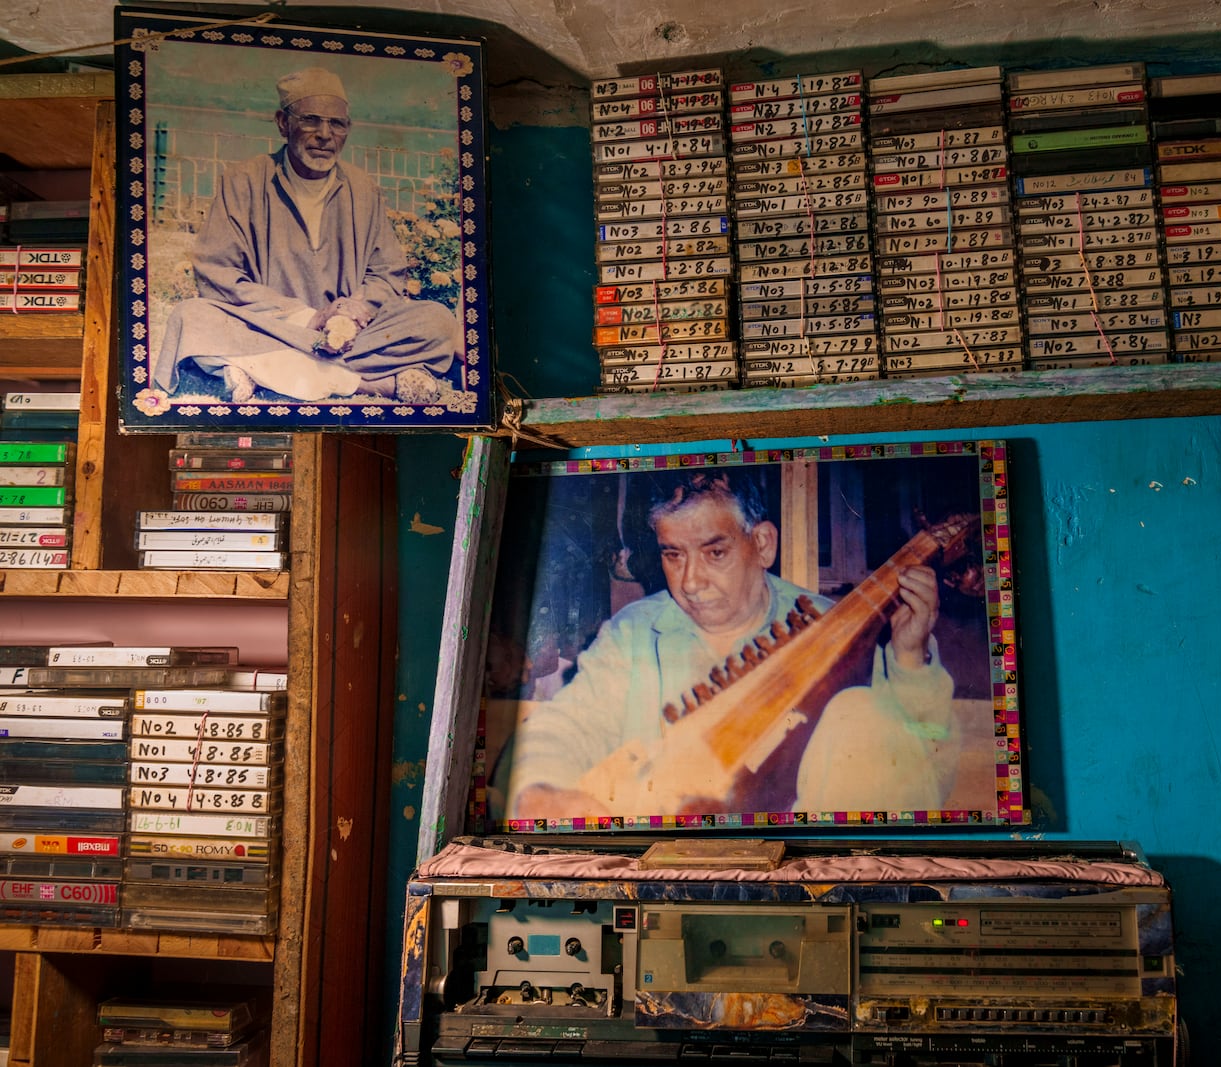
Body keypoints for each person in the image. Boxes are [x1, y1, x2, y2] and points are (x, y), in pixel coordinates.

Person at [505, 472, 959, 820]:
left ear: (762, 544)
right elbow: (563, 727)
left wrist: (909, 661)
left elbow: (926, 781)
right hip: (669, 867)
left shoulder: (834, 630)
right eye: (673, 554)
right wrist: (541, 790)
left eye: (714, 552)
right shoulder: (634, 633)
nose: (690, 582)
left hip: (796, 880)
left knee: (859, 711)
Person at [152, 67, 460, 404]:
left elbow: (387, 273)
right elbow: (217, 273)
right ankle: (369, 385)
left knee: (437, 321)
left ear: (347, 130)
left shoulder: (362, 189)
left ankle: (266, 370)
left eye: (337, 124)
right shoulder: (244, 181)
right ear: (283, 123)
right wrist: (306, 318)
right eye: (311, 120)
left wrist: (352, 311)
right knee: (192, 317)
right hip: (274, 327)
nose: (324, 135)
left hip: (351, 335)